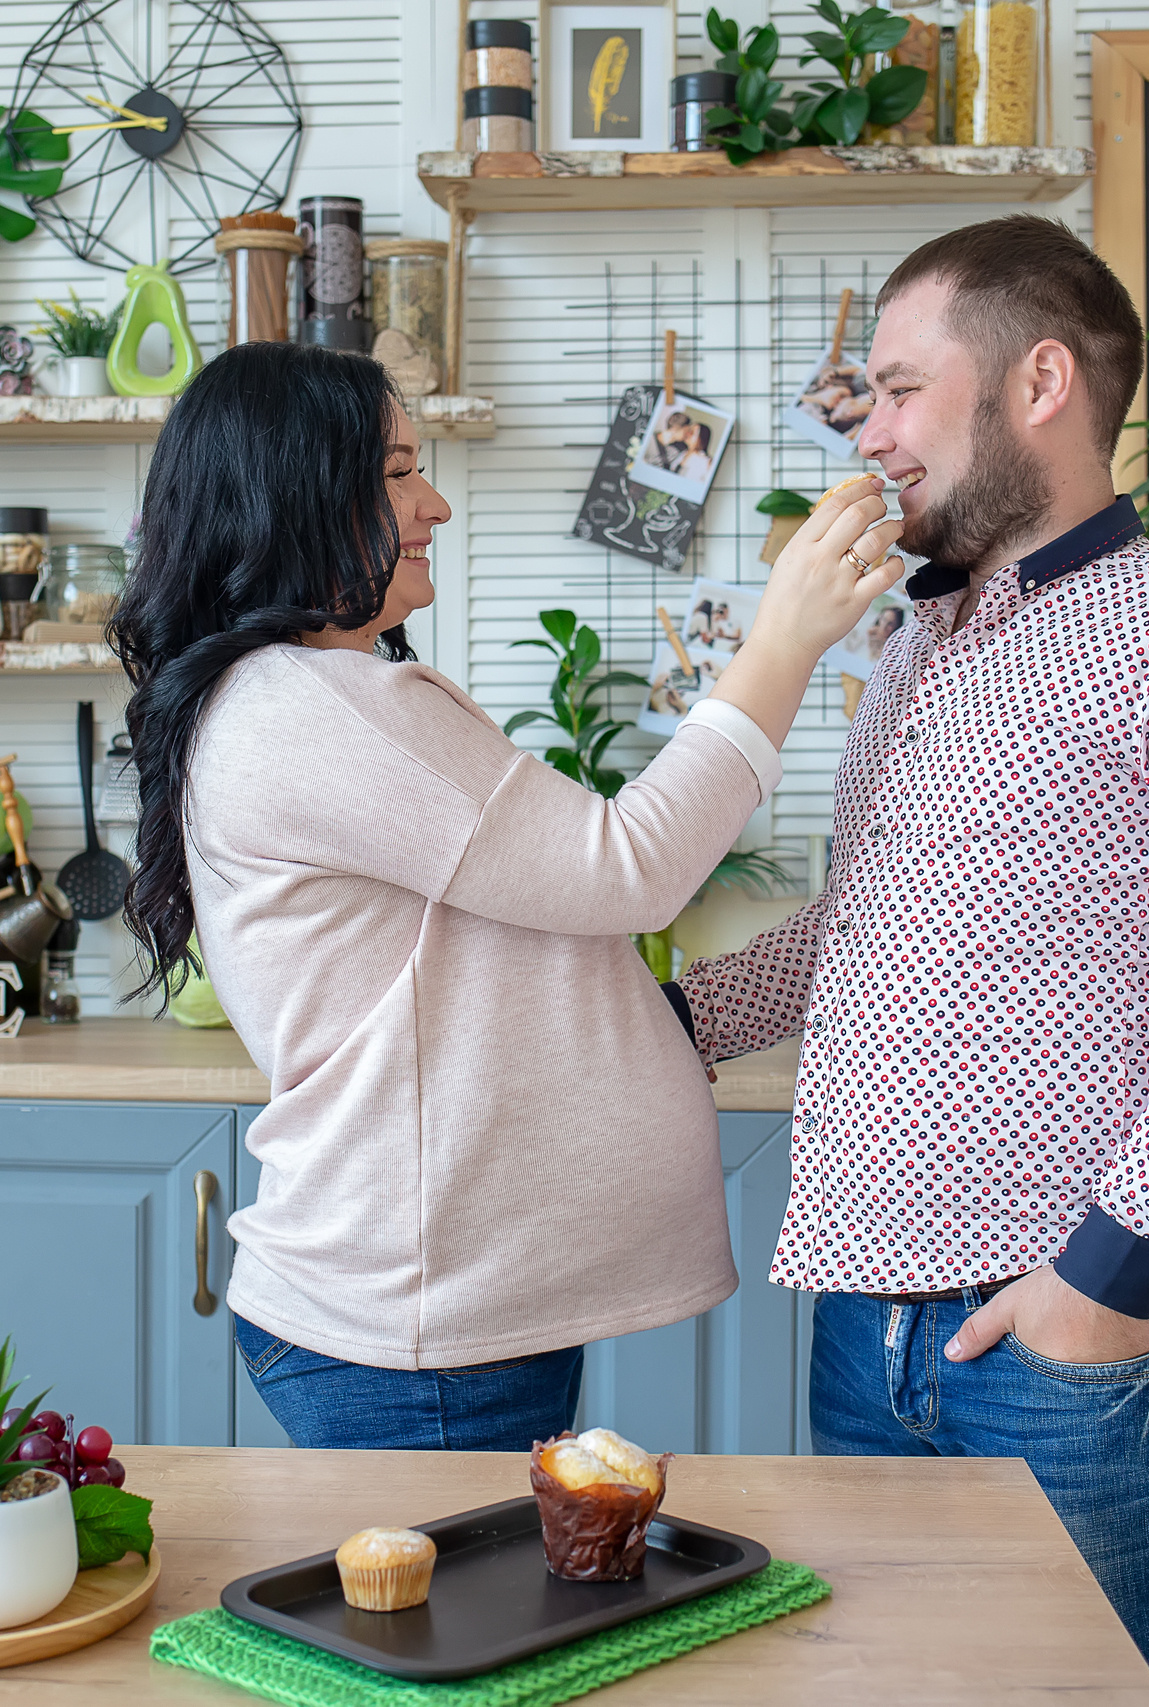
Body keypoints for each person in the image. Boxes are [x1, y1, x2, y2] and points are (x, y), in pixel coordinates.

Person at [675, 214, 1149, 1707]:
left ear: (1040, 379)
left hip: (1070, 1349)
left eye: (901, 388)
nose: (872, 431)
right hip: (860, 1327)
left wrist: (1096, 1284)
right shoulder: (915, 647)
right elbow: (870, 931)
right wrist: (658, 1022)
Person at [107, 341, 903, 1451]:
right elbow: (629, 867)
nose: (432, 504)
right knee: (456, 1628)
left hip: (440, 1310)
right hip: (421, 1331)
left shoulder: (291, 697)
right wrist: (784, 636)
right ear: (289, 493)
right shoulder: (311, 705)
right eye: (394, 473)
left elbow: (512, 961)